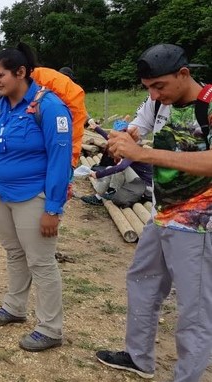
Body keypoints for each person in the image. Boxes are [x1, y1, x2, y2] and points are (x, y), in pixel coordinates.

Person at [96, 43, 212, 381]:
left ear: (184, 74)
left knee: (194, 308)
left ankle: (187, 376)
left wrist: (143, 154)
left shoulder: (208, 105)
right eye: (148, 88)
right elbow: (138, 128)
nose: (154, 95)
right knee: (142, 280)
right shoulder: (157, 101)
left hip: (200, 223)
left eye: (159, 86)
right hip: (161, 213)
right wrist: (124, 137)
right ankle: (138, 357)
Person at [0, 46, 72, 352]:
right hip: (2, 193)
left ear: (20, 73)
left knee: (41, 261)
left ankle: (50, 328)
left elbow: (61, 160)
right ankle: (15, 307)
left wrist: (53, 208)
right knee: (14, 253)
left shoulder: (49, 107)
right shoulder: (0, 104)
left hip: (33, 195)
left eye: (0, 74)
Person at [80, 119, 153, 206]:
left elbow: (121, 167)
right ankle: (98, 197)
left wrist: (98, 174)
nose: (116, 138)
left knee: (121, 168)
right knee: (111, 168)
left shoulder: (134, 148)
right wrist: (96, 128)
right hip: (136, 181)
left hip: (147, 187)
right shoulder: (126, 143)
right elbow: (109, 138)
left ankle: (113, 191)